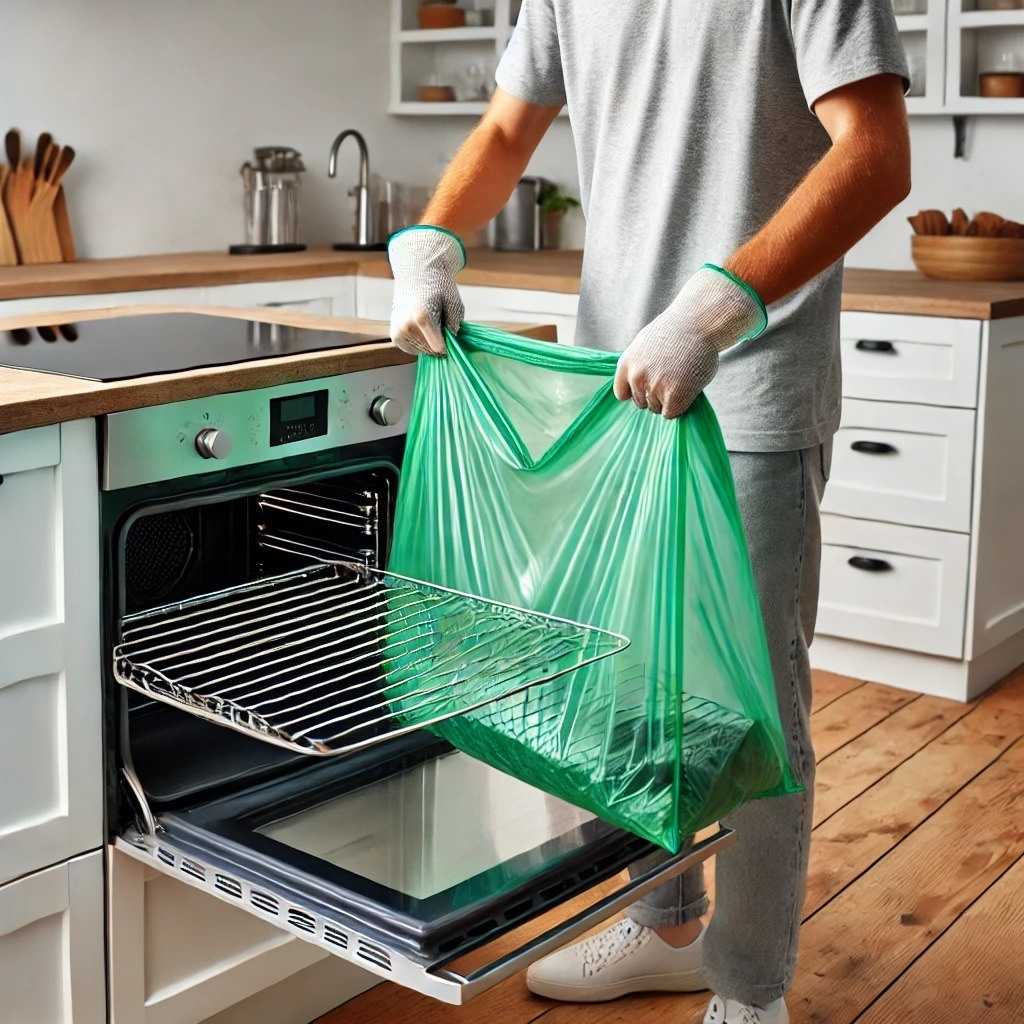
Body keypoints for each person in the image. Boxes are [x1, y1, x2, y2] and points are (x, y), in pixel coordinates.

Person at [386, 3, 911, 1021]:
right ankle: (666, 924)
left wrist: (715, 310)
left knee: (751, 706)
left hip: (746, 381)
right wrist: (431, 241)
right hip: (611, 387)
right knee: (621, 683)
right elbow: (506, 129)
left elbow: (876, 155)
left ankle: (750, 989)